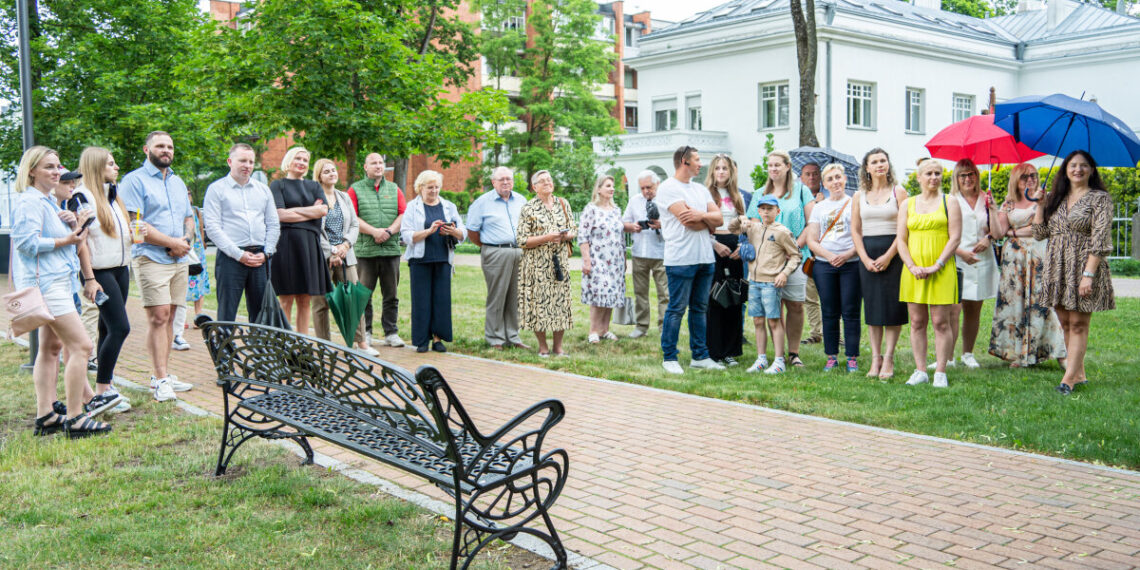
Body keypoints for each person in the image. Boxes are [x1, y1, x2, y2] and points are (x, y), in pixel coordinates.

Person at [13, 146, 118, 438]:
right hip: (47, 286)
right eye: (49, 167)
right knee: (82, 346)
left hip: (56, 282)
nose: (57, 172)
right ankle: (75, 417)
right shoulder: (29, 202)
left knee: (51, 348)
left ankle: (45, 414)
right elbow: (26, 244)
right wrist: (65, 239)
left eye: (58, 167)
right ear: (31, 170)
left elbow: (64, 242)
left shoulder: (48, 202)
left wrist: (75, 227)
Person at [1032, 150, 1114, 395]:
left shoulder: (1100, 199)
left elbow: (1100, 240)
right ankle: (1079, 373)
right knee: (1066, 322)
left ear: (1091, 170)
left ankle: (1067, 380)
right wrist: (1039, 206)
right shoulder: (1056, 197)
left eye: (1084, 165)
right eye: (1073, 165)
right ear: (1065, 170)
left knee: (1078, 323)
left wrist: (1088, 275)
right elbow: (1039, 233)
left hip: (1084, 264)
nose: (1078, 169)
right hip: (1057, 265)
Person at [121, 131, 196, 401]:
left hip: (179, 258)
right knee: (158, 317)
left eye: (170, 146)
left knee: (171, 317)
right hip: (151, 258)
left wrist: (184, 241)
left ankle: (163, 374)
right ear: (146, 149)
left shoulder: (177, 182)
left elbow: (190, 218)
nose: (166, 150)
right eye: (160, 146)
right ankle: (159, 378)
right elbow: (136, 228)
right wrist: (172, 243)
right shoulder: (133, 181)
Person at [988, 163, 1066, 368]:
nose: (1030, 179)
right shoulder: (1009, 204)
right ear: (1015, 180)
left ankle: (1059, 352)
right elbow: (998, 233)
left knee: (1041, 304)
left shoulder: (1045, 200)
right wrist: (993, 211)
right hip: (1013, 260)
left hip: (1038, 255)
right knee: (1015, 304)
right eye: (1024, 177)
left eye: (1033, 175)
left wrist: (1013, 232)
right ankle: (1019, 354)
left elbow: (1040, 229)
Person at [74, 146, 133, 413]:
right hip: (100, 272)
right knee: (121, 328)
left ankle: (105, 388)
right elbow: (81, 243)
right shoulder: (81, 198)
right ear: (96, 167)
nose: (116, 167)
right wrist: (89, 278)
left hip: (121, 269)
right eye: (110, 163)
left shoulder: (113, 195)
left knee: (107, 329)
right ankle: (101, 391)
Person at [744, 150, 815, 367]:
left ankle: (793, 352)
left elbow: (812, 224)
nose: (773, 169)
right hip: (767, 262)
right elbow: (754, 228)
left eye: (778, 165)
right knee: (772, 307)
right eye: (770, 165)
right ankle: (777, 355)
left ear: (787, 167)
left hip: (795, 257)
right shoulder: (759, 193)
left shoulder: (802, 191)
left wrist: (794, 246)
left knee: (794, 305)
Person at [658, 145, 724, 374]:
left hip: (705, 257)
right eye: (697, 160)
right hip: (680, 259)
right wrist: (707, 221)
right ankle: (669, 357)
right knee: (676, 308)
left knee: (700, 308)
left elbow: (719, 219)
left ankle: (700, 356)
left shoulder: (700, 189)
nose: (701, 164)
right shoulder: (668, 188)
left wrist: (703, 216)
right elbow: (689, 222)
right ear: (684, 162)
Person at [898, 158, 962, 388]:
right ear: (919, 178)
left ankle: (941, 371)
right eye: (929, 174)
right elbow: (901, 240)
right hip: (913, 269)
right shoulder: (907, 204)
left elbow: (955, 237)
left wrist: (938, 264)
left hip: (941, 268)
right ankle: (920, 370)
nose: (933, 177)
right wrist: (911, 266)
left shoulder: (950, 201)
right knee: (916, 321)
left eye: (937, 173)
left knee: (941, 322)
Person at [203, 143, 280, 324]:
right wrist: (238, 255)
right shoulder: (216, 189)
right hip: (231, 258)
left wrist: (267, 253)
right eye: (242, 160)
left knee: (262, 313)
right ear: (230, 161)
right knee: (227, 312)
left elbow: (273, 224)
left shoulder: (263, 190)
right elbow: (213, 228)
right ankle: (226, 351)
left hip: (260, 257)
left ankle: (260, 350)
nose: (247, 165)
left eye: (251, 161)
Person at [850, 148, 909, 379]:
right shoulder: (858, 196)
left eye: (883, 160)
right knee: (873, 309)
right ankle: (876, 359)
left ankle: (889, 358)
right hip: (867, 255)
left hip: (893, 254)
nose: (879, 165)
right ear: (867, 168)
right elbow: (855, 230)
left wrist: (889, 256)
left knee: (893, 308)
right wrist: (863, 258)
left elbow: (904, 229)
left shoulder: (899, 192)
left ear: (888, 164)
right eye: (874, 162)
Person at [730, 195, 800, 374]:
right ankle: (761, 358)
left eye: (770, 208)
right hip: (754, 282)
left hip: (771, 283)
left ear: (778, 211)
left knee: (774, 321)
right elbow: (731, 228)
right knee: (758, 320)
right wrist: (741, 219)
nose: (766, 212)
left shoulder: (782, 232)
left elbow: (796, 255)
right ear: (758, 211)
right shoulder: (753, 228)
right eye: (763, 208)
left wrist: (784, 273)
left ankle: (779, 361)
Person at [309, 158, 373, 353]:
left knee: (353, 298)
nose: (331, 173)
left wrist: (345, 245)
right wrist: (332, 251)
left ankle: (361, 343)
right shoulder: (314, 199)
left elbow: (354, 224)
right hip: (322, 257)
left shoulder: (344, 197)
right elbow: (313, 229)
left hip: (347, 256)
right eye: (326, 171)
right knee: (321, 303)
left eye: (333, 170)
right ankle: (325, 345)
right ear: (319, 176)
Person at [402, 171, 467, 353]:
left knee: (441, 300)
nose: (434, 190)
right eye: (430, 187)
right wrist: (428, 231)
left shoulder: (448, 206)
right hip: (420, 260)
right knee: (421, 300)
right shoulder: (412, 207)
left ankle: (438, 339)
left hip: (443, 258)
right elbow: (406, 235)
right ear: (420, 188)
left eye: (437, 187)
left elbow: (463, 231)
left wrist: (452, 232)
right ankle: (422, 340)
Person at [944, 159, 999, 370]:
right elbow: (944, 233)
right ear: (956, 179)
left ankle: (968, 353)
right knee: (953, 310)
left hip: (982, 260)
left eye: (971, 174)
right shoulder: (950, 200)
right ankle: (948, 357)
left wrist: (990, 237)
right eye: (962, 175)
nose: (967, 179)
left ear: (977, 176)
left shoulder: (987, 198)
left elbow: (997, 230)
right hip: (957, 259)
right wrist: (960, 252)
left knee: (973, 310)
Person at [270, 146, 331, 334]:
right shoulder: (277, 185)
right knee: (286, 298)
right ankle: (285, 341)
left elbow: (323, 210)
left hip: (310, 246)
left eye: (305, 160)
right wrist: (310, 212)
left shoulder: (314, 186)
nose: (302, 163)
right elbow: (279, 214)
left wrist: (294, 212)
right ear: (289, 160)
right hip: (286, 246)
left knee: (305, 299)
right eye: (298, 158)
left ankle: (302, 343)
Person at [466, 166, 528, 349]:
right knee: (497, 296)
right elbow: (472, 231)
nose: (505, 182)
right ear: (493, 182)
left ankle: (513, 337)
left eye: (508, 178)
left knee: (515, 297)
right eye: (501, 179)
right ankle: (495, 338)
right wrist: (489, 246)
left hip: (519, 252)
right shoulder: (482, 202)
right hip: (495, 252)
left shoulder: (521, 200)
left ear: (513, 181)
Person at [806, 164, 861, 372]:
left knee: (851, 311)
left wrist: (847, 254)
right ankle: (831, 356)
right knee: (829, 311)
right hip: (824, 265)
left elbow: (861, 235)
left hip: (852, 264)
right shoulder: (819, 207)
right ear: (825, 184)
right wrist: (829, 256)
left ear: (845, 179)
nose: (835, 182)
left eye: (838, 177)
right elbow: (812, 240)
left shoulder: (854, 202)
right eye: (830, 179)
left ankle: (852, 357)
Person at [516, 170, 577, 357]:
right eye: (542, 181)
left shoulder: (563, 203)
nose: (547, 183)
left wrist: (565, 235)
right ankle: (543, 347)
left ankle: (558, 347)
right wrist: (547, 237)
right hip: (536, 265)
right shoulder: (529, 208)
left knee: (560, 304)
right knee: (539, 306)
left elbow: (574, 229)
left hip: (560, 263)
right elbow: (522, 240)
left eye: (549, 180)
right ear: (534, 187)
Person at [348, 153, 406, 348]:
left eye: (381, 163)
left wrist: (388, 232)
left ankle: (391, 332)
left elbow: (402, 214)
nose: (378, 166)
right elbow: (352, 217)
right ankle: (366, 333)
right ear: (365, 167)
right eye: (374, 163)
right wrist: (373, 232)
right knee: (364, 294)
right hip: (365, 252)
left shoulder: (394, 189)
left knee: (391, 294)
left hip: (390, 251)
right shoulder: (355, 190)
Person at [703, 155, 752, 366]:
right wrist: (715, 243)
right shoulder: (705, 194)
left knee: (733, 298)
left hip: (734, 248)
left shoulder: (738, 195)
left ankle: (731, 350)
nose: (721, 172)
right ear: (712, 172)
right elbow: (701, 225)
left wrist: (741, 245)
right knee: (715, 299)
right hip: (714, 245)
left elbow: (744, 225)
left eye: (725, 169)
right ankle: (715, 350)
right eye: (718, 168)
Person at [579, 175, 627, 343]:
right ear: (599, 189)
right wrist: (586, 260)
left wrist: (625, 259)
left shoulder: (616, 210)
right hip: (598, 259)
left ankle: (605, 329)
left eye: (612, 186)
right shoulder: (591, 209)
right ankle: (593, 330)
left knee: (611, 294)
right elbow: (583, 236)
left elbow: (621, 236)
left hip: (616, 260)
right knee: (599, 293)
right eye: (608, 186)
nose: (612, 189)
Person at [621, 171, 668, 339]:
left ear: (657, 184)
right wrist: (632, 226)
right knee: (640, 292)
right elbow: (623, 222)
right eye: (643, 188)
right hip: (640, 252)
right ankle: (641, 326)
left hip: (662, 252)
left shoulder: (666, 200)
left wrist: (661, 225)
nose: (646, 191)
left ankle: (664, 328)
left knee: (664, 294)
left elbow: (676, 224)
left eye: (649, 187)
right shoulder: (634, 201)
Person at [171, 187, 209, 351]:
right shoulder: (178, 210)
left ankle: (198, 314)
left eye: (189, 194)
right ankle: (181, 319)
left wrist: (203, 242)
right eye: (184, 194)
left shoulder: (195, 210)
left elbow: (199, 228)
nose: (187, 197)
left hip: (197, 249)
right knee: (185, 284)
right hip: (186, 247)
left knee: (199, 281)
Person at [799, 161, 824, 345]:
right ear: (801, 177)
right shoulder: (799, 198)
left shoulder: (829, 196)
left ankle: (836, 335)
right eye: (807, 174)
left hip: (826, 252)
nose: (811, 177)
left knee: (831, 296)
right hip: (807, 254)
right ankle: (816, 333)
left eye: (815, 174)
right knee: (810, 297)